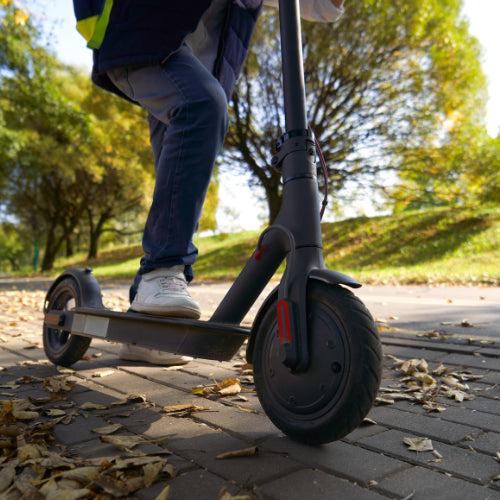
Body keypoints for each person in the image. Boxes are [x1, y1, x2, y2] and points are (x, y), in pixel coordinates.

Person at [73, 0, 345, 365]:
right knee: (203, 106)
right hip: (141, 38)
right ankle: (161, 273)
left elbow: (318, 6)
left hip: (192, 66)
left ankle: (144, 321)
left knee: (179, 173)